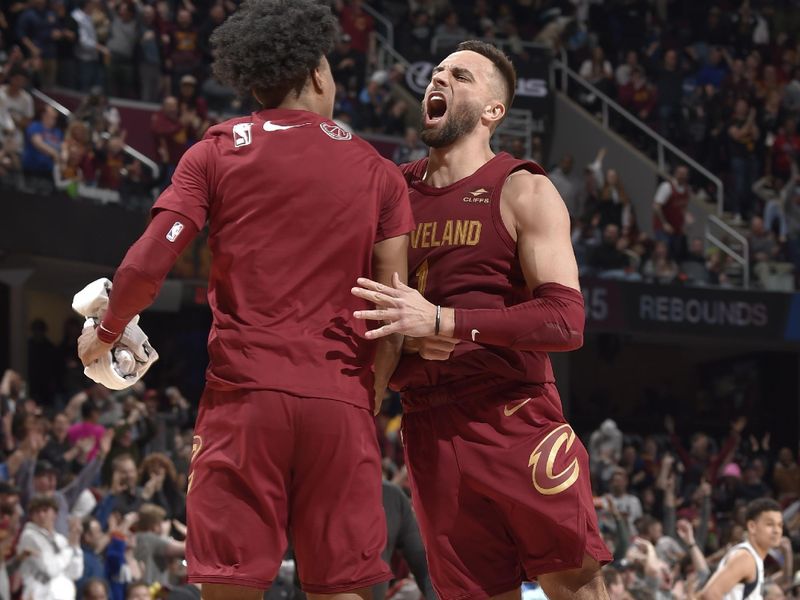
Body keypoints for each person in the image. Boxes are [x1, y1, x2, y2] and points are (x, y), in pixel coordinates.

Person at [77, 1, 414, 599]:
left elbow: (145, 263)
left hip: (244, 401)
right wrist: (368, 394)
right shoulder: (381, 174)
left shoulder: (214, 151)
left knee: (231, 588)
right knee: (342, 589)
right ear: (315, 73)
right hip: (339, 403)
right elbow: (393, 312)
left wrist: (105, 333)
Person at [352, 40, 611, 599]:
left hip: (514, 413)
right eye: (437, 72)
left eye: (461, 76)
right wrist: (409, 344)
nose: (439, 80)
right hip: (427, 425)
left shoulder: (524, 188)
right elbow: (369, 302)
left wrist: (445, 321)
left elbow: (566, 321)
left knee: (575, 586)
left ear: (494, 110)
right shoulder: (391, 191)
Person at [698, 498, 784, 600]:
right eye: (770, 524)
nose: (777, 530)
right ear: (752, 527)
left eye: (780, 525)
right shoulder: (745, 557)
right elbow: (710, 594)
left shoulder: (753, 557)